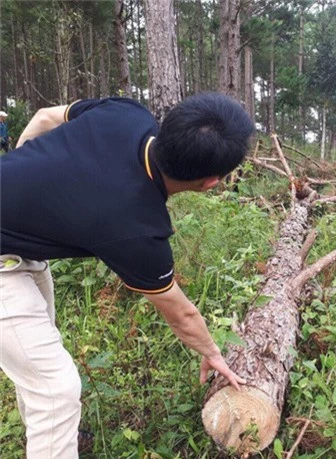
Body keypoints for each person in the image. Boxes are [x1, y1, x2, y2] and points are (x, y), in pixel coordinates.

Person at [0, 93, 253, 458]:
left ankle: (49, 434)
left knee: (37, 373)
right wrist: (213, 353)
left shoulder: (126, 112)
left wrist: (18, 175)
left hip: (22, 253)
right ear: (210, 183)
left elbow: (42, 117)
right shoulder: (139, 231)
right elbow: (181, 314)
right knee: (56, 390)